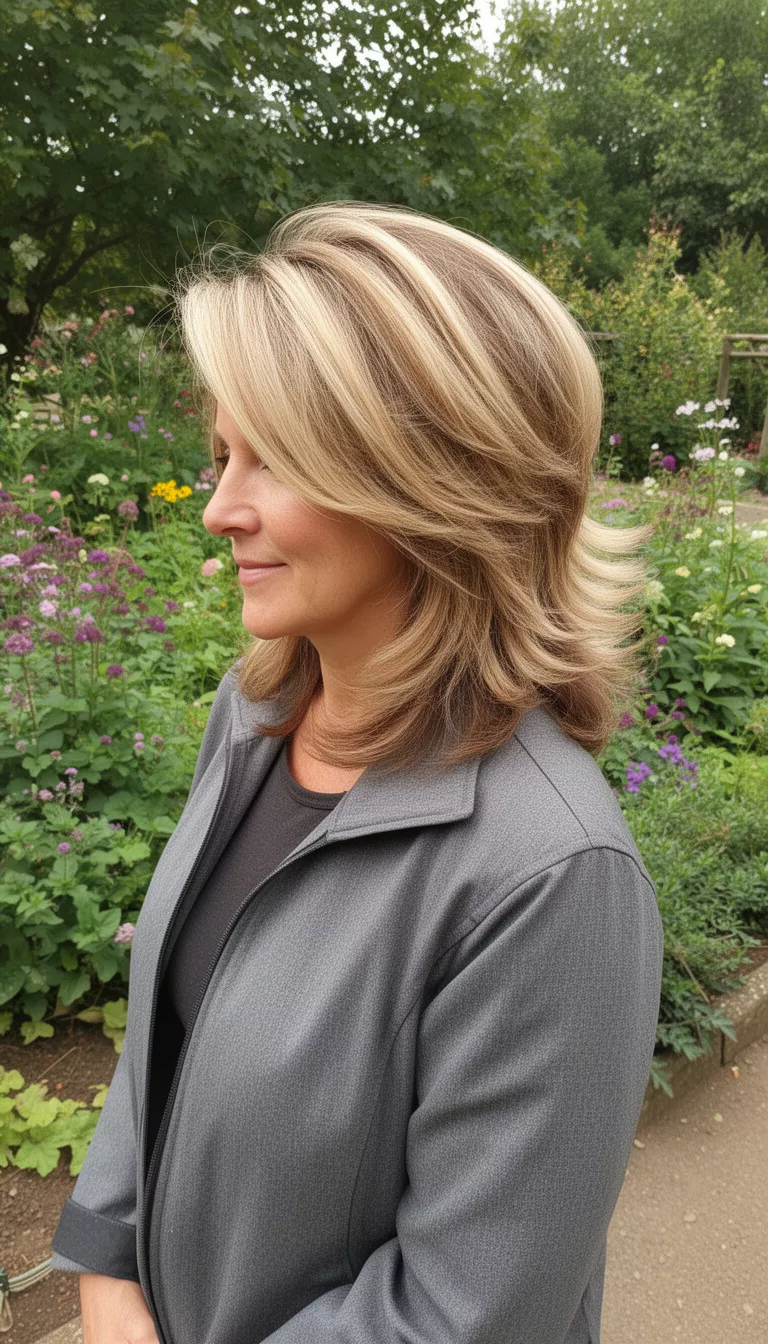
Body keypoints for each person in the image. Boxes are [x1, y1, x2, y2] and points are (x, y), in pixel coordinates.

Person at [51, 200, 664, 1344]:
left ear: (427, 480)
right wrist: (106, 1272)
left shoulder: (552, 875)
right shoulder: (255, 720)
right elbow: (164, 1042)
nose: (221, 508)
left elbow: (462, 1313)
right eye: (223, 451)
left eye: (272, 458)